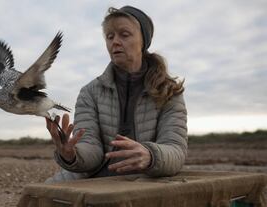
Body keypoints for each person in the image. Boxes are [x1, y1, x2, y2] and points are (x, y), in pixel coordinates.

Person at [45, 5, 187, 182]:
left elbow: (176, 150)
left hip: (149, 178)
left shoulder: (169, 91)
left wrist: (150, 156)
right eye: (109, 36)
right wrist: (71, 154)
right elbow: (91, 149)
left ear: (143, 40)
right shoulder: (90, 92)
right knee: (40, 194)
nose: (115, 42)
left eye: (124, 34)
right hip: (94, 177)